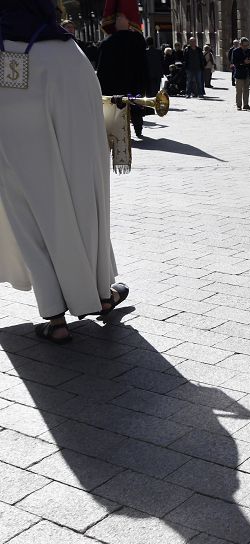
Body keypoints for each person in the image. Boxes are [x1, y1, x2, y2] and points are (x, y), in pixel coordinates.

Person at [1, 0, 129, 345]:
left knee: (29, 221)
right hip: (73, 146)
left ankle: (56, 318)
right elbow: (92, 118)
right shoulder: (69, 51)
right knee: (83, 205)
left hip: (13, 147)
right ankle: (100, 293)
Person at [96, 2, 150, 139]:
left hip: (116, 87)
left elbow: (101, 72)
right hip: (133, 83)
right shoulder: (138, 41)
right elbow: (144, 67)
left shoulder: (107, 44)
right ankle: (136, 128)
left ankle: (123, 131)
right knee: (135, 106)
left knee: (120, 110)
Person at [231, 37, 250, 110]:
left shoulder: (249, 51)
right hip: (239, 72)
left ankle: (246, 104)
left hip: (248, 72)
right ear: (240, 45)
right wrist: (243, 62)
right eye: (244, 45)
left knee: (246, 89)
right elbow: (235, 62)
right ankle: (239, 105)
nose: (246, 47)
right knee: (239, 90)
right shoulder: (236, 51)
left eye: (247, 45)